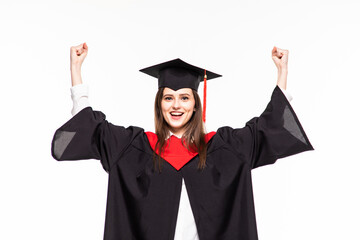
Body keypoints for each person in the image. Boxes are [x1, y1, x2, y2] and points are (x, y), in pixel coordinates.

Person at [51, 43, 313, 240]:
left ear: (196, 104)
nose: (176, 105)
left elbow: (269, 128)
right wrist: (76, 71)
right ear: (159, 104)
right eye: (168, 98)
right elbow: (92, 129)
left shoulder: (224, 148)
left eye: (185, 98)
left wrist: (282, 73)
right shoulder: (135, 147)